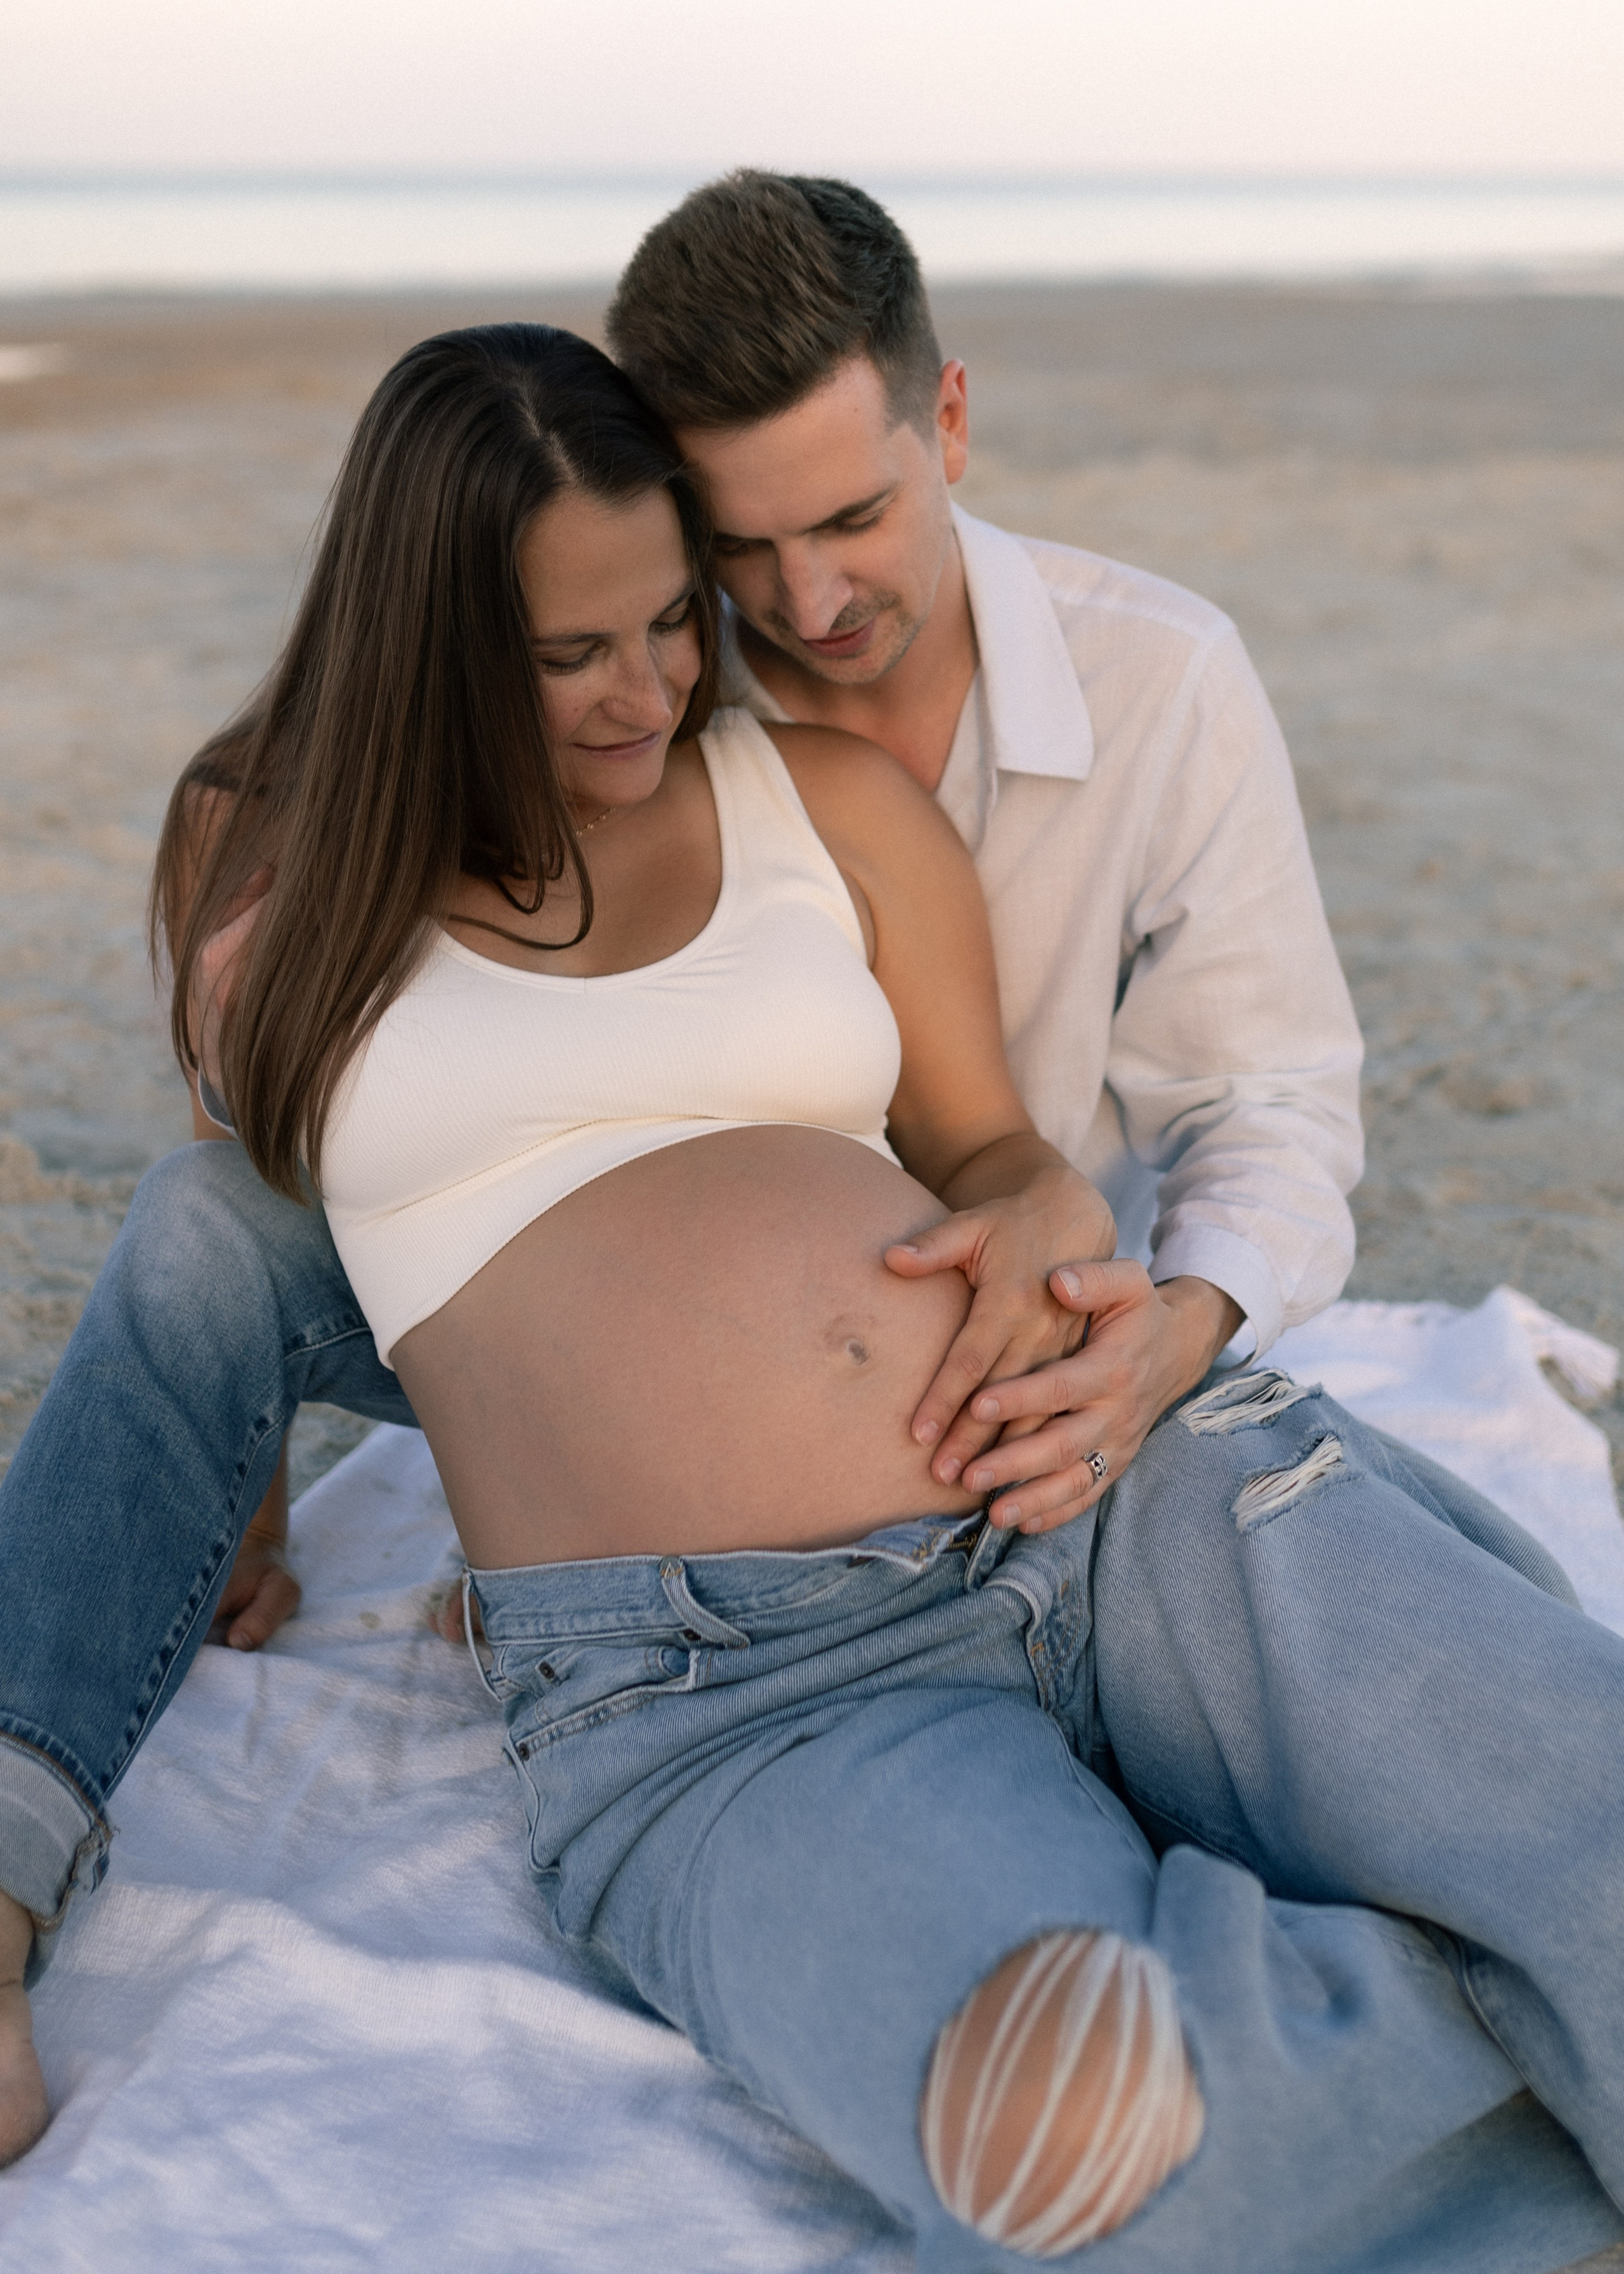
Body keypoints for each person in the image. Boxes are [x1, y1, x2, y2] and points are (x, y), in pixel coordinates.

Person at [6, 321, 1624, 2274]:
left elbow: (991, 1148)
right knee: (1100, 2164)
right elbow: (245, 1226)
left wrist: (1045, 1209)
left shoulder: (822, 800)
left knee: (1593, 1829)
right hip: (729, 1698)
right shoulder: (264, 863)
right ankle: (1478, 1966)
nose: (651, 690)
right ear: (424, 643)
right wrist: (238, 1521)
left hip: (1112, 1491)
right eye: (572, 653)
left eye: (670, 622)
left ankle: (1498, 1919)